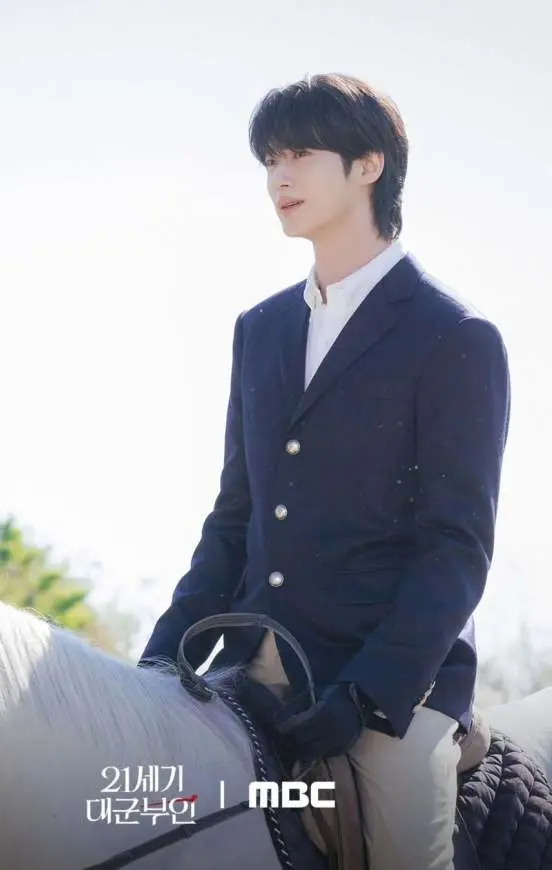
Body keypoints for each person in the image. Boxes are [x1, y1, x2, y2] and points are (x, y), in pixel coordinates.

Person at [139, 72, 511, 870]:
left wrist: (368, 694)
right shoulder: (260, 328)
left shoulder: (455, 335)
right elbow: (235, 517)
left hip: (392, 689)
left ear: (369, 165)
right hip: (253, 666)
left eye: (300, 155)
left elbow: (457, 549)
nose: (278, 177)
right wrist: (163, 656)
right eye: (270, 159)